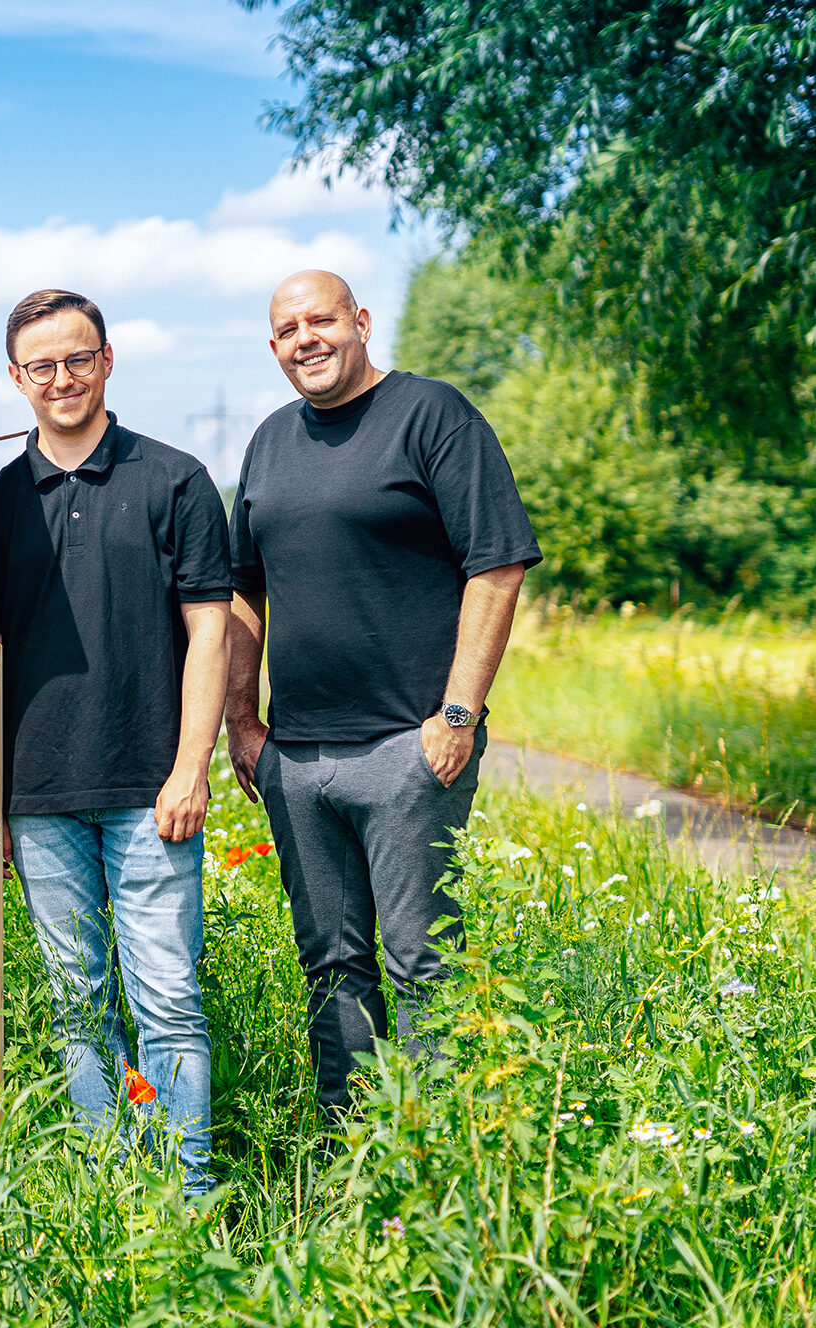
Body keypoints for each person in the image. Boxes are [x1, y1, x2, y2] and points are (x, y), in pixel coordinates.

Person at [224, 269, 539, 1124]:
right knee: (331, 967)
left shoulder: (432, 415)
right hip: (297, 759)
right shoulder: (268, 441)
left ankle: (435, 1160)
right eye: (287, 329)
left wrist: (459, 716)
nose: (305, 340)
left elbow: (497, 563)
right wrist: (242, 720)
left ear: (359, 321)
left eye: (320, 320)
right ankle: (352, 1153)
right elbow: (241, 591)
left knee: (424, 966)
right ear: (275, 347)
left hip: (409, 749)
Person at [0, 289, 228, 1195]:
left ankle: (185, 1194)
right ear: (16, 379)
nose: (62, 378)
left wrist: (191, 767)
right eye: (41, 365)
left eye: (78, 359)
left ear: (108, 361)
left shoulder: (175, 480)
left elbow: (212, 633)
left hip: (153, 787)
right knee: (80, 1009)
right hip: (38, 797)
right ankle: (113, 1187)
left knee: (168, 1002)